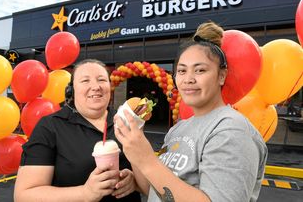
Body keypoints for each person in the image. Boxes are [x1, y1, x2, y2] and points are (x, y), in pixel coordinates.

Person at [114, 22, 268, 202]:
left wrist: (148, 161)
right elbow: (159, 192)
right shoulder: (178, 130)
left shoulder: (232, 131)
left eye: (200, 70)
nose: (188, 79)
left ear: (221, 76)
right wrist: (135, 148)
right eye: (181, 70)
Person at [14, 59, 141, 202]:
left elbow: (151, 179)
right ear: (71, 91)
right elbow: (24, 195)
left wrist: (135, 182)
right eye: (85, 81)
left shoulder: (126, 121)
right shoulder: (50, 127)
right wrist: (84, 193)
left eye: (101, 80)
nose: (96, 86)